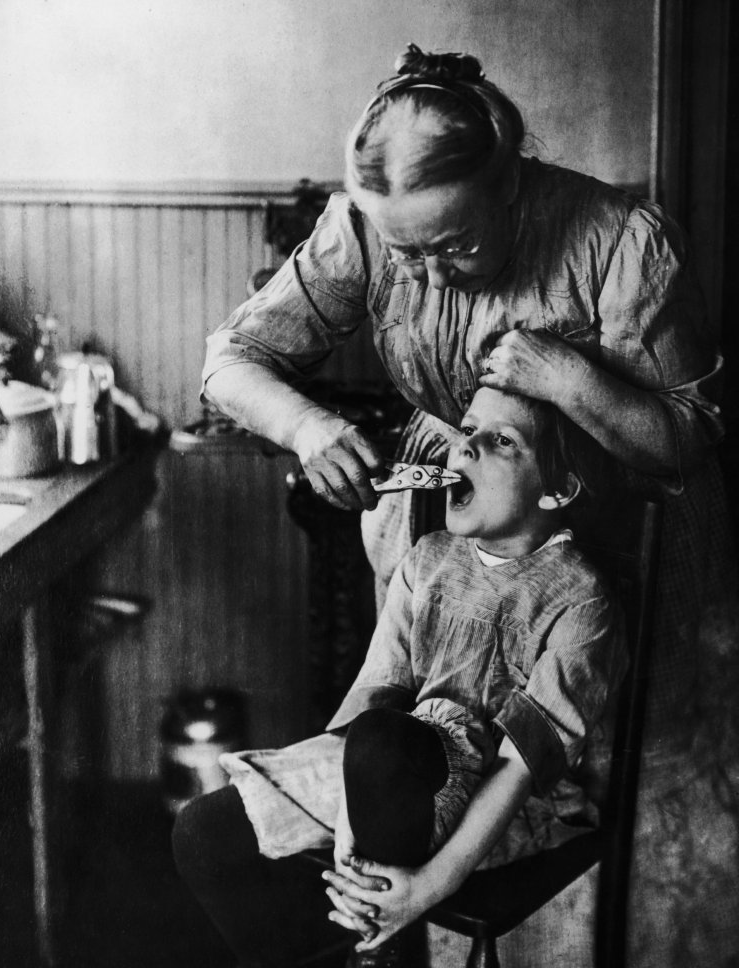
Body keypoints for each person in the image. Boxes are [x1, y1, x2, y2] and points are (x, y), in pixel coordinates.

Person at [197, 43, 738, 968]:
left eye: (458, 245)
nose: (434, 276)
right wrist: (309, 429)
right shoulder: (362, 228)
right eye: (410, 255)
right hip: (463, 534)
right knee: (407, 769)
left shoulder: (616, 240)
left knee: (592, 812)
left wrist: (565, 375)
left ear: (510, 181)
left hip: (598, 545)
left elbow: (691, 436)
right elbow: (229, 363)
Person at [174, 386, 627, 965]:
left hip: (509, 806)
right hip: (393, 777)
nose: (466, 447)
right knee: (202, 832)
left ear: (558, 488)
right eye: (468, 430)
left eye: (502, 440)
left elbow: (518, 771)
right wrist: (343, 820)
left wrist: (427, 889)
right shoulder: (427, 560)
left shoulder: (580, 598)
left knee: (384, 744)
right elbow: (371, 696)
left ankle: (386, 949)